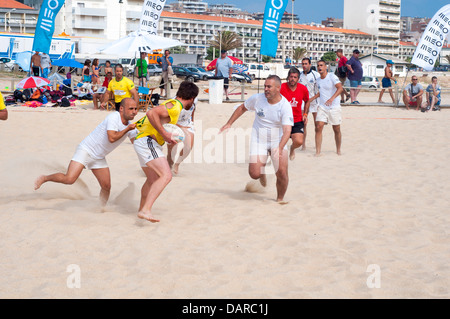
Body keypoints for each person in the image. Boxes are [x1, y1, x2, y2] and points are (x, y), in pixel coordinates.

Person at [34, 98, 139, 206]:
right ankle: (45, 178)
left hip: (98, 157)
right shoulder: (114, 117)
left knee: (106, 186)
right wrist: (127, 129)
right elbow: (111, 138)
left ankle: (100, 208)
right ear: (121, 109)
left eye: (136, 109)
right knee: (69, 179)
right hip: (86, 150)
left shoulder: (131, 126)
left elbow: (137, 144)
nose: (134, 112)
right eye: (131, 109)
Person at [220, 75, 293, 203]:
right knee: (254, 174)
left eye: (269, 86)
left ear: (278, 88)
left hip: (278, 140)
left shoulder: (285, 106)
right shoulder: (258, 99)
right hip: (259, 140)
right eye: (265, 86)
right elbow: (242, 108)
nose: (265, 89)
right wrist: (229, 123)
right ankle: (262, 172)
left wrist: (280, 148)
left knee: (281, 172)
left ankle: (280, 198)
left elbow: (287, 130)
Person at [133, 81, 199, 222]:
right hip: (147, 142)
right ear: (192, 98)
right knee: (166, 176)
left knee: (153, 179)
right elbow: (151, 113)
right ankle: (146, 210)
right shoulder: (175, 107)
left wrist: (167, 134)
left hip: (143, 141)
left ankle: (141, 209)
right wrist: (163, 133)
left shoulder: (173, 103)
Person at [280, 67, 310, 160]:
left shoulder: (303, 89)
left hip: (297, 119)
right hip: (283, 120)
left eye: (295, 77)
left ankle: (292, 149)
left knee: (299, 141)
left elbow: (307, 101)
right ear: (288, 77)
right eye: (291, 77)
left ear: (298, 78)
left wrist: (305, 114)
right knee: (277, 143)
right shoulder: (281, 87)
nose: (293, 79)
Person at [315, 60, 343, 156]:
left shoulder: (332, 76)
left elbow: (340, 88)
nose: (320, 67)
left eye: (321, 65)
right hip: (322, 107)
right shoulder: (318, 80)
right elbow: (321, 93)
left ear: (325, 67)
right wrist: (312, 99)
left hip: (334, 107)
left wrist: (332, 98)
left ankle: (338, 149)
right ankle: (318, 152)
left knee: (336, 128)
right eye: (318, 65)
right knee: (318, 127)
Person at [167, 97, 198, 175]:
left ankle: (177, 164)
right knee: (172, 148)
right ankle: (169, 164)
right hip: (174, 124)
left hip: (187, 124)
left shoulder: (194, 99)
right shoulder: (174, 102)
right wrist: (180, 127)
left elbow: (193, 109)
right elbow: (168, 119)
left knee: (188, 147)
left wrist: (192, 122)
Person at [299, 57, 320, 150]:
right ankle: (303, 145)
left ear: (310, 64)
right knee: (303, 124)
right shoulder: (299, 75)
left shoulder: (316, 75)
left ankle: (317, 144)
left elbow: (320, 91)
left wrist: (312, 99)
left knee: (317, 125)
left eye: (306, 63)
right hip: (303, 103)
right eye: (303, 64)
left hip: (314, 102)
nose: (304, 65)